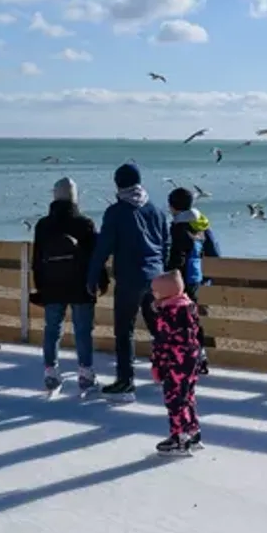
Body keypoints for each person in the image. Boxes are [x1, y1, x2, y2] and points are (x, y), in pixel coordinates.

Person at [87, 163, 170, 403]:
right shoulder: (155, 210)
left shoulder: (116, 212)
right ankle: (167, 371)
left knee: (125, 331)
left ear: (118, 183)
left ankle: (125, 382)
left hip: (130, 278)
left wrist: (92, 277)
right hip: (155, 277)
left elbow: (104, 248)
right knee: (158, 327)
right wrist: (161, 271)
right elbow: (165, 244)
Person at [31, 177, 108, 396]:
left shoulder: (43, 225)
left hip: (52, 285)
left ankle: (51, 372)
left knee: (52, 329)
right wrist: (100, 282)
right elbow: (96, 257)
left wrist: (40, 287)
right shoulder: (84, 223)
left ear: (54, 196)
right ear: (75, 197)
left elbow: (37, 260)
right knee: (83, 330)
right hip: (80, 286)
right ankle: (85, 373)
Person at [165, 187, 221, 375]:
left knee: (181, 320)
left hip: (182, 280)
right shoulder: (201, 224)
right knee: (194, 318)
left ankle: (185, 359)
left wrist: (169, 276)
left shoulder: (179, 228)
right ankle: (201, 356)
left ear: (173, 207)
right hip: (197, 278)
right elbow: (214, 252)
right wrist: (208, 277)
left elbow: (177, 257)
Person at [148, 270, 204, 455]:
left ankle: (179, 438)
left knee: (174, 399)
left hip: (176, 363)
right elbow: (197, 334)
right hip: (192, 358)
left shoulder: (167, 314)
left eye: (155, 291)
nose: (153, 294)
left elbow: (162, 343)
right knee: (188, 396)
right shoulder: (188, 307)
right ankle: (193, 431)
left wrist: (158, 366)